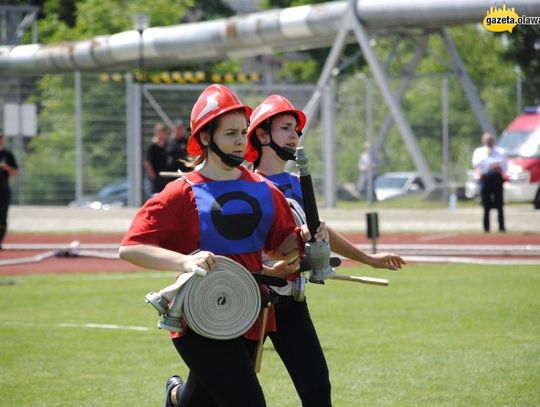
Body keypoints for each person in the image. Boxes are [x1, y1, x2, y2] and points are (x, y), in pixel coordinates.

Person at [119, 85, 327, 407]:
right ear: (205, 137)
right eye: (230, 133)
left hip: (248, 315)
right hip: (197, 318)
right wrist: (186, 262)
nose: (240, 141)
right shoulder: (181, 192)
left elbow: (278, 248)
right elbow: (132, 247)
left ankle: (174, 399)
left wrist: (304, 237)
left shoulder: (264, 189)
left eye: (243, 132)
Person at [244, 95, 406, 406]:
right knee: (223, 394)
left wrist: (370, 260)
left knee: (317, 389)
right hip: (252, 300)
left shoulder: (298, 182)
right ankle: (176, 394)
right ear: (262, 135)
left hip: (292, 300)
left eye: (297, 131)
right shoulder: (246, 185)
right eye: (286, 128)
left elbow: (320, 229)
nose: (294, 135)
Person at [472, 132, 507, 232]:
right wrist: (489, 162)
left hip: (497, 178)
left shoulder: (500, 151)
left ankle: (502, 227)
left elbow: (504, 165)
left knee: (499, 204)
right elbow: (476, 164)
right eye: (487, 141)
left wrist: (496, 166)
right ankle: (486, 228)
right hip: (485, 178)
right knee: (486, 204)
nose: (489, 142)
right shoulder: (479, 152)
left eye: (491, 140)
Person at [0, 131, 18, 250]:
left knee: (2, 215)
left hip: (3, 188)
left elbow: (15, 172)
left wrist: (5, 167)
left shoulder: (7, 155)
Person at [144, 122, 171, 194]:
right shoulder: (152, 146)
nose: (162, 135)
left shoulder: (168, 145)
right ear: (156, 133)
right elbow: (147, 162)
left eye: (164, 132)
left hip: (166, 176)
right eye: (160, 132)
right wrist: (153, 176)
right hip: (156, 177)